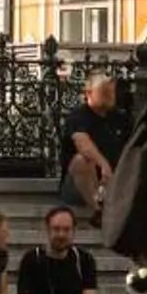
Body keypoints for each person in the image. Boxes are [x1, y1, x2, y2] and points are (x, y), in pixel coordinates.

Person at [59, 74, 125, 220]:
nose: (110, 96)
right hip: (78, 186)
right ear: (89, 93)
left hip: (111, 185)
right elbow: (82, 142)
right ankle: (98, 211)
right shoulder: (78, 116)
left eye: (111, 92)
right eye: (104, 92)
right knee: (82, 160)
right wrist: (104, 165)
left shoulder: (120, 118)